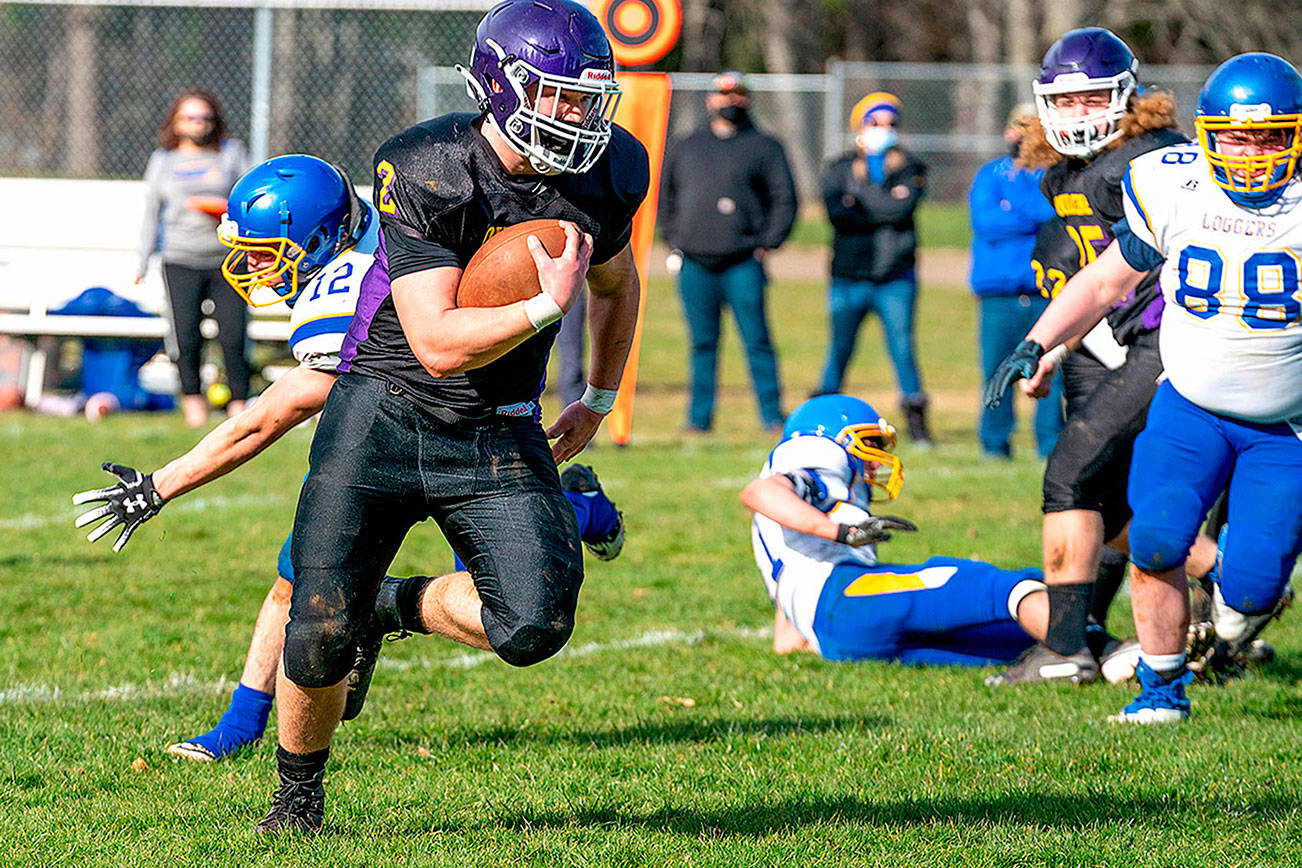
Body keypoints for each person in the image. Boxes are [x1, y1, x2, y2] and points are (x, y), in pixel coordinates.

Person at [72, 154, 626, 763]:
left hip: (456, 435)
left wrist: (160, 486)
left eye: (265, 249)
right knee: (296, 574)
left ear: (323, 237)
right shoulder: (376, 229)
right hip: (427, 423)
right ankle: (241, 722)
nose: (251, 265)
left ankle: (566, 513)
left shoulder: (340, 302)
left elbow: (266, 419)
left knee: (340, 577)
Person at [251, 0, 647, 833]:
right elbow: (434, 342)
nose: (580, 116)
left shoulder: (612, 170)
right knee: (317, 628)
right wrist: (544, 309)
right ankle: (296, 799)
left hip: (499, 422)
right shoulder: (427, 165)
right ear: (501, 87)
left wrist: (599, 396)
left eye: (590, 97)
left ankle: (388, 606)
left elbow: (616, 283)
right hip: (385, 410)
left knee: (535, 622)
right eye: (559, 96)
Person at [991, 53, 1302, 722]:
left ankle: (1234, 615)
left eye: (1270, 135)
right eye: (1236, 136)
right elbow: (1104, 281)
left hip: (1287, 426)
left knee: (1250, 587)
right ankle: (1160, 692)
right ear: (1208, 133)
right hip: (1188, 404)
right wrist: (1039, 342)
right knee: (1157, 539)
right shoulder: (1174, 186)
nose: (1251, 153)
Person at [981, 28, 1200, 686]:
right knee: (1113, 500)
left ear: (1128, 96)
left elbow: (1115, 274)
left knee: (1073, 476)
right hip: (1107, 340)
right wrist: (1058, 343)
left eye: (1093, 98)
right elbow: (1085, 274)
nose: (1079, 113)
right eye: (1066, 101)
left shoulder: (1148, 161)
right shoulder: (1066, 172)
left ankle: (1068, 648)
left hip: (1166, 338)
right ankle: (1201, 602)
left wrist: (1056, 339)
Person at [741, 394, 1107, 668]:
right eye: (869, 443)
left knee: (1004, 642)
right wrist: (838, 531)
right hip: (844, 600)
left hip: (840, 636)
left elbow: (787, 636)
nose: (875, 458)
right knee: (980, 583)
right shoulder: (814, 454)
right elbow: (762, 492)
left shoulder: (797, 524)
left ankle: (1099, 650)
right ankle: (1076, 647)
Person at [659, 71, 797, 433]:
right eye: (723, 95)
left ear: (747, 100)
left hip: (743, 262)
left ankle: (771, 415)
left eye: (737, 96)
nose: (730, 102)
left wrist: (768, 242)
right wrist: (672, 237)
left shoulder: (765, 146)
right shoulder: (687, 145)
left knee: (757, 341)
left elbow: (784, 199)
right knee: (702, 343)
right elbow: (665, 195)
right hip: (695, 262)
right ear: (710, 100)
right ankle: (698, 418)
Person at [816, 93, 931, 445]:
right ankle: (820, 417)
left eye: (890, 123)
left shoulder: (911, 168)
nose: (883, 130)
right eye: (875, 122)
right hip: (849, 275)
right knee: (838, 348)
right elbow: (838, 212)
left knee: (902, 349)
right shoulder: (838, 168)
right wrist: (882, 204)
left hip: (895, 276)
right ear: (859, 128)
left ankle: (917, 422)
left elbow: (901, 210)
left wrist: (862, 203)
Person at [137, 89, 250, 428]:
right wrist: (142, 261)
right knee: (186, 336)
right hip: (180, 259)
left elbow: (248, 197)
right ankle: (193, 404)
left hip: (228, 260)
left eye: (204, 118)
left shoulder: (231, 154)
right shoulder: (164, 160)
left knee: (233, 335)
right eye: (190, 117)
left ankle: (239, 404)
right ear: (176, 121)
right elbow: (151, 213)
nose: (198, 124)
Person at [969, 103, 1063, 459]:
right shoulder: (990, 175)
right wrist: (1034, 215)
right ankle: (994, 444)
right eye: (1017, 128)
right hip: (998, 293)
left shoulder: (1054, 174)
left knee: (1049, 373)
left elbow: (1055, 214)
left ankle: (1051, 444)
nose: (1021, 136)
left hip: (1046, 292)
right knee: (996, 369)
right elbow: (989, 222)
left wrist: (1018, 209)